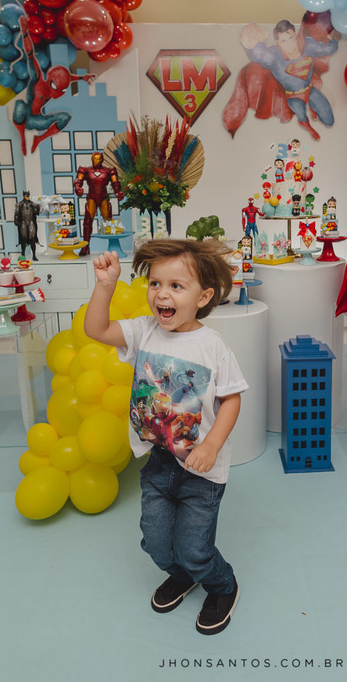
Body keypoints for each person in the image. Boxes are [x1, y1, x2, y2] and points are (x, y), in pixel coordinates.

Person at [84, 239, 248, 636]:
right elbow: (96, 329)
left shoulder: (213, 346)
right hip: (158, 462)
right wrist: (105, 285)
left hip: (201, 472)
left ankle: (222, 585)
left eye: (176, 286)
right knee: (156, 544)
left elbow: (232, 399)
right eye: (155, 283)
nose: (162, 294)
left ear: (203, 297)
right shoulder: (144, 331)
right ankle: (183, 575)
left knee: (195, 550)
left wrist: (211, 445)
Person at [73, 152, 123, 255]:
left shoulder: (109, 171)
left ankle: (113, 245)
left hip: (104, 198)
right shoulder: (86, 170)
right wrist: (77, 187)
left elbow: (115, 182)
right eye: (93, 159)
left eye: (97, 159)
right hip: (92, 198)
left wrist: (117, 191)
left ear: (102, 160)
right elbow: (78, 180)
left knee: (109, 223)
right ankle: (85, 246)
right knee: (87, 222)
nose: (95, 161)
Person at [14, 191, 41, 258]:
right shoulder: (19, 204)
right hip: (23, 222)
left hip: (31, 222)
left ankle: (34, 255)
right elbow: (16, 213)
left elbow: (37, 213)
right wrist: (16, 221)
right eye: (26, 195)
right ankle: (23, 254)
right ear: (23, 195)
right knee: (23, 238)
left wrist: (38, 208)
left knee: (32, 238)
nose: (27, 196)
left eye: (28, 195)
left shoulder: (32, 204)